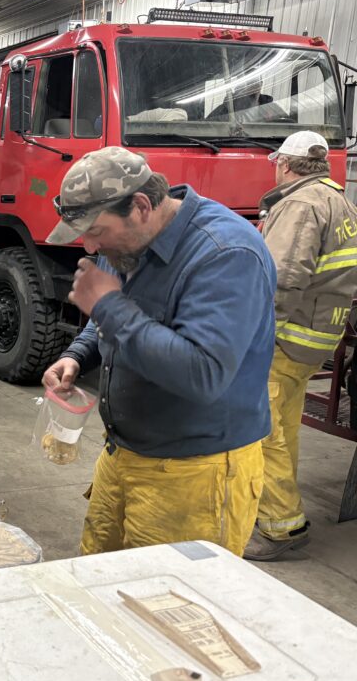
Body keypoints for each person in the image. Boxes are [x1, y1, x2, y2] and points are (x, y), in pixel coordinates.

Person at [42, 146, 277, 557]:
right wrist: (78, 355)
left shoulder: (225, 253)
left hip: (195, 472)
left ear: (140, 205)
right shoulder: (130, 243)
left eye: (97, 231)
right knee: (100, 583)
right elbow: (116, 314)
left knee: (168, 605)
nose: (92, 247)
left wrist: (107, 305)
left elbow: (202, 374)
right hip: (125, 455)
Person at [245, 132, 357, 560]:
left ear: (286, 166)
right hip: (317, 338)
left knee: (264, 434)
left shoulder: (299, 204)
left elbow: (282, 278)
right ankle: (279, 517)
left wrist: (255, 335)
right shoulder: (340, 201)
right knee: (284, 430)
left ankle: (279, 530)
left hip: (284, 339)